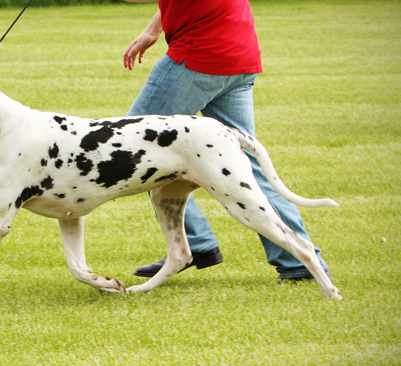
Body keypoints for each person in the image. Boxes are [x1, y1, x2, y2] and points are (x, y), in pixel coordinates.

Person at [123, 0, 331, 281]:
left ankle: (193, 242)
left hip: (199, 56)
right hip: (238, 54)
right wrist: (153, 28)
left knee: (135, 146)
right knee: (246, 165)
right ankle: (299, 262)